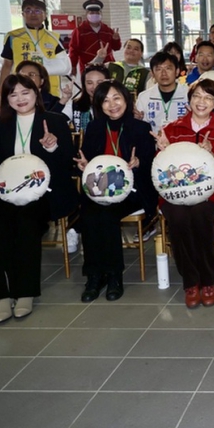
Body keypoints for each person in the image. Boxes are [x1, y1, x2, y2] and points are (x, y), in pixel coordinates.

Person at [0, 74, 76, 322]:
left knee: (25, 223)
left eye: (25, 92)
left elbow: (68, 162)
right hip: (10, 193)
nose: (19, 99)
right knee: (1, 230)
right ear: (6, 99)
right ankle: (3, 295)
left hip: (45, 192)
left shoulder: (55, 121)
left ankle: (25, 292)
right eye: (12, 94)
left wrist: (51, 148)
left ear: (37, 94)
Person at [152, 79, 214, 308]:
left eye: (208, 98)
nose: (201, 102)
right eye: (197, 96)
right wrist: (161, 151)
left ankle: (208, 281)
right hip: (174, 193)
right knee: (178, 218)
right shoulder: (172, 128)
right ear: (189, 100)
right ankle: (190, 282)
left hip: (212, 194)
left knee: (198, 215)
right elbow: (160, 169)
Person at [73, 81, 157, 303]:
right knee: (90, 214)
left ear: (126, 99)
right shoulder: (94, 128)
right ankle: (93, 276)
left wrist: (139, 162)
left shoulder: (141, 127)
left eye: (116, 98)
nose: (112, 105)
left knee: (108, 216)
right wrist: (82, 165)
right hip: (99, 190)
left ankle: (113, 276)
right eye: (105, 100)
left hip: (132, 190)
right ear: (99, 105)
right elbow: (85, 162)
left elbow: (151, 164)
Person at [0, 0, 71, 98]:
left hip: (51, 91)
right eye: (28, 10)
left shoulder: (54, 37)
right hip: (22, 91)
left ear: (45, 15)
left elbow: (64, 65)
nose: (33, 14)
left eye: (37, 10)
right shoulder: (13, 37)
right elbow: (7, 65)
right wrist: (0, 91)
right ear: (23, 14)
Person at [135, 51, 189, 132]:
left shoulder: (189, 95)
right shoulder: (144, 97)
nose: (164, 73)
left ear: (177, 71)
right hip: (153, 142)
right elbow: (139, 127)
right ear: (152, 73)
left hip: (182, 142)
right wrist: (137, 120)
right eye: (158, 69)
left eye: (168, 68)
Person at [68, 0, 122, 74]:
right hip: (88, 68)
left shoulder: (107, 30)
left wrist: (116, 40)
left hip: (107, 68)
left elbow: (116, 48)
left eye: (97, 12)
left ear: (101, 14)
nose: (95, 15)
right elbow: (73, 50)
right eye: (92, 12)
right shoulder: (79, 31)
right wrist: (73, 66)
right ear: (86, 14)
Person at [71, 64, 110, 135]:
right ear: (84, 84)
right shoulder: (74, 104)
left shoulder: (115, 105)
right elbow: (53, 121)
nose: (94, 87)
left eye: (99, 82)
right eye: (89, 83)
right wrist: (63, 100)